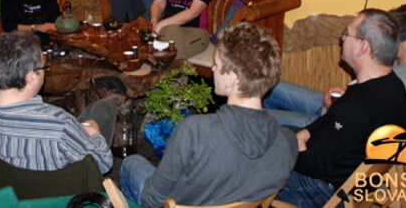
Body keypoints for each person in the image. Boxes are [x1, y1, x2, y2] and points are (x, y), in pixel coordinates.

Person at [119, 23, 297, 208]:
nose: (212, 69)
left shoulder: (194, 131)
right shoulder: (288, 142)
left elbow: (152, 199)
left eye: (217, 64)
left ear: (233, 78)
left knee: (131, 163)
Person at [276, 9, 406, 208]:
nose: (342, 38)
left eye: (347, 34)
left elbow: (314, 164)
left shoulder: (357, 108)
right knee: (278, 135)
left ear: (363, 46)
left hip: (322, 190)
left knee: (253, 154)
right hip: (346, 175)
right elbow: (333, 121)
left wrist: (289, 147)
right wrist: (305, 133)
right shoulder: (390, 85)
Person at [0, 31, 116, 174]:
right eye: (43, 67)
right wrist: (95, 136)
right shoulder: (59, 125)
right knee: (102, 109)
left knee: (85, 118)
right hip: (53, 198)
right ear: (30, 76)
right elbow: (102, 164)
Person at [263, 3, 406, 127]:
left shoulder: (404, 84)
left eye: (394, 36)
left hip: (330, 126)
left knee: (255, 116)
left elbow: (353, 124)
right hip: (337, 108)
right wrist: (344, 98)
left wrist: (339, 106)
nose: (388, 39)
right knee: (270, 85)